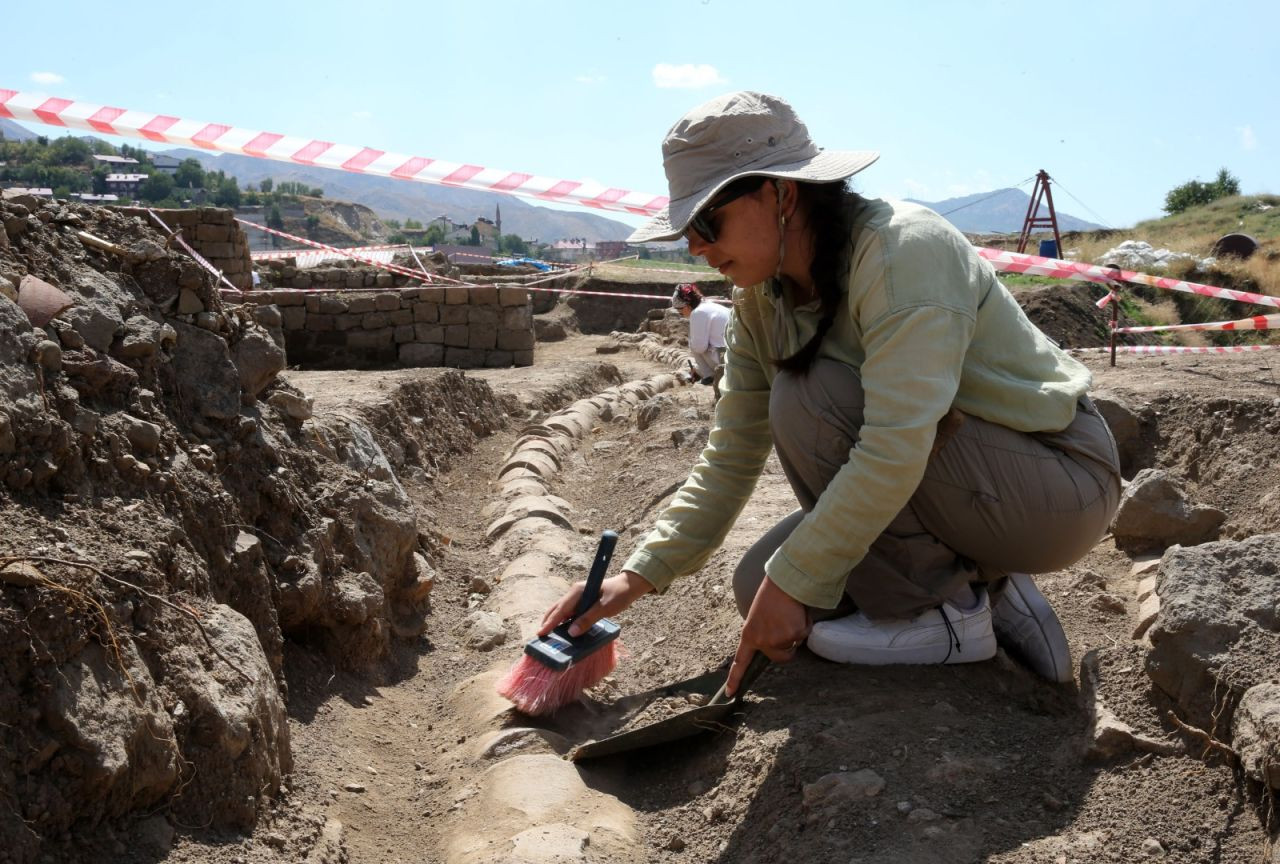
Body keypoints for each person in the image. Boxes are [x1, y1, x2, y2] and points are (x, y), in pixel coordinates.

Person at [537, 91, 1121, 695]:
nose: (697, 248)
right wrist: (635, 576)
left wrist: (796, 582)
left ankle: (947, 618)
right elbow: (732, 453)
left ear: (781, 193)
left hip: (1057, 484)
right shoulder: (764, 301)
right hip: (970, 487)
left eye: (707, 223)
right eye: (687, 232)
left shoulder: (901, 252)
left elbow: (897, 440)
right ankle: (989, 585)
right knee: (755, 585)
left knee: (808, 396)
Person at [672, 283, 730, 389]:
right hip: (734, 354)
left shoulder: (698, 313)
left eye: (680, 311)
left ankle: (709, 376)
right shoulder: (710, 306)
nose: (680, 313)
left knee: (694, 344)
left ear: (687, 306)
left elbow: (699, 347)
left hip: (725, 359)